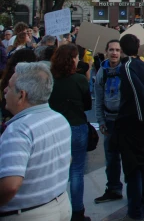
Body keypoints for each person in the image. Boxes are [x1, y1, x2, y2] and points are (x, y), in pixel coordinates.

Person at [0, 62, 72, 220]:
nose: (5, 90)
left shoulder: (19, 130)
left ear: (21, 95)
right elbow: (67, 160)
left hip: (28, 213)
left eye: (10, 87)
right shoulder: (59, 119)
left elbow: (10, 185)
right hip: (60, 204)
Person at [113, 34, 144, 221]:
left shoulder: (128, 67)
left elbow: (139, 91)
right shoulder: (142, 65)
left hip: (133, 123)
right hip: (142, 121)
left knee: (133, 169)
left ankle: (135, 210)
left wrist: (143, 116)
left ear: (122, 48)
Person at [48, 43, 92, 221]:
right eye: (76, 57)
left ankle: (56, 208)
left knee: (56, 170)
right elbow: (88, 105)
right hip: (77, 126)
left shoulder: (50, 79)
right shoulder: (80, 79)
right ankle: (77, 211)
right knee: (76, 171)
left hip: (55, 128)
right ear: (71, 60)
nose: (78, 60)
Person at [94, 40, 124, 204]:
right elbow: (98, 99)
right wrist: (101, 121)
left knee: (127, 156)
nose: (114, 53)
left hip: (124, 120)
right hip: (109, 120)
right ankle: (113, 188)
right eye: (111, 49)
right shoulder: (102, 71)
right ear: (106, 51)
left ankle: (133, 189)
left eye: (117, 50)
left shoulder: (126, 69)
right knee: (111, 158)